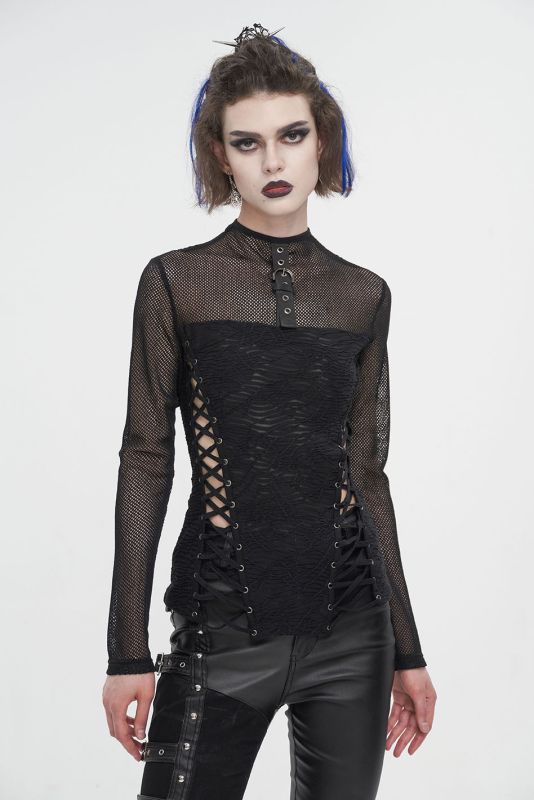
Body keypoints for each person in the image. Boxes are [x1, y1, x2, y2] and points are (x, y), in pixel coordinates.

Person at [102, 22, 437, 800]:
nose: (274, 162)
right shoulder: (177, 284)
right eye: (247, 143)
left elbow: (367, 474)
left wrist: (408, 650)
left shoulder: (362, 295)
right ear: (222, 156)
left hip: (354, 634)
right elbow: (146, 458)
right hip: (219, 630)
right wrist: (127, 653)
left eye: (291, 135)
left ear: (322, 141)